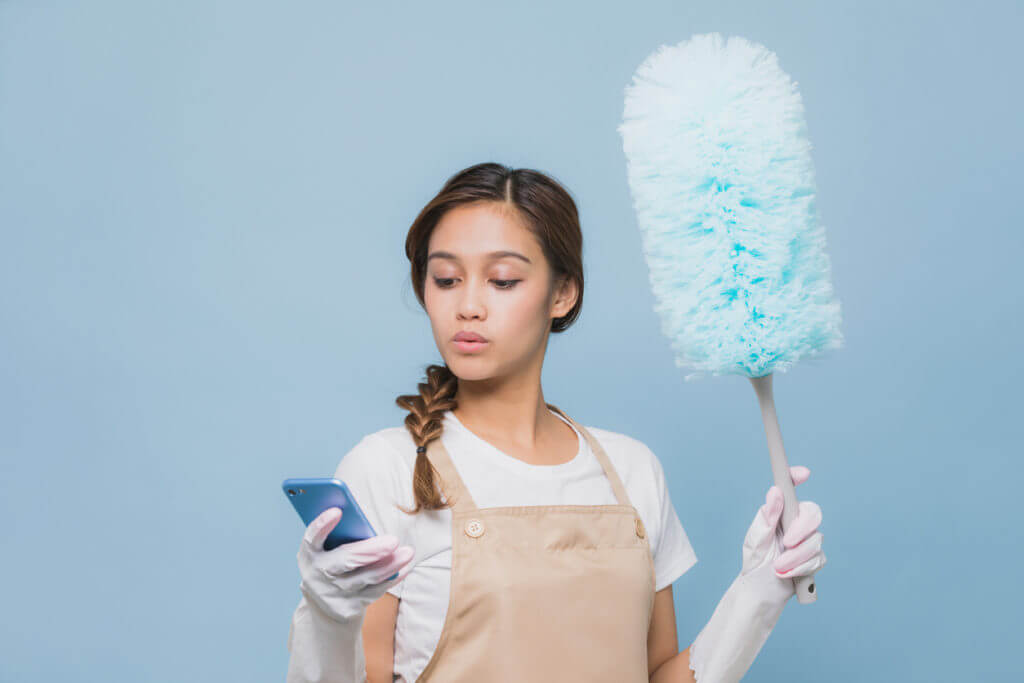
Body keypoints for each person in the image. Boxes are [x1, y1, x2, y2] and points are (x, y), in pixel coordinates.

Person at [285, 162, 827, 683]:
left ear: (562, 294)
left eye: (501, 281)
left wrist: (756, 595)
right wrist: (328, 619)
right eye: (446, 279)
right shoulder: (389, 471)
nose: (468, 306)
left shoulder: (633, 471)